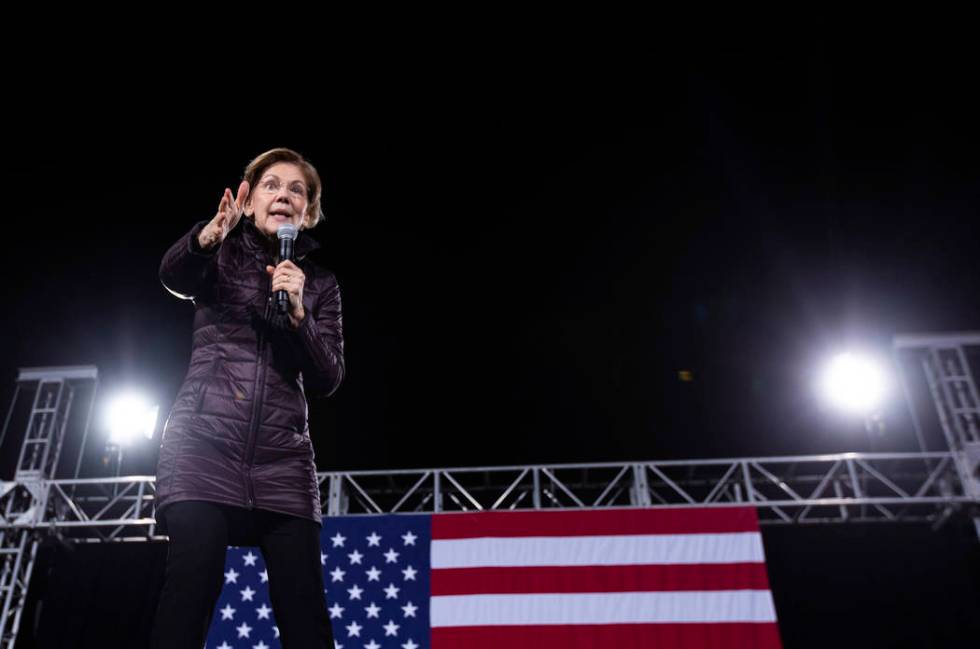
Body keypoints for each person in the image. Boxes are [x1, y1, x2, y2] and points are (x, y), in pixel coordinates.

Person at [150, 148, 344, 648]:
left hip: (284, 462)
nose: (284, 194)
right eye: (271, 185)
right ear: (249, 199)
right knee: (191, 591)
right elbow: (175, 277)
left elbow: (328, 377)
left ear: (309, 212)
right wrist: (204, 239)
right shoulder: (222, 251)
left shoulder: (319, 284)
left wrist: (300, 316)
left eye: (297, 189)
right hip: (203, 447)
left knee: (306, 616)